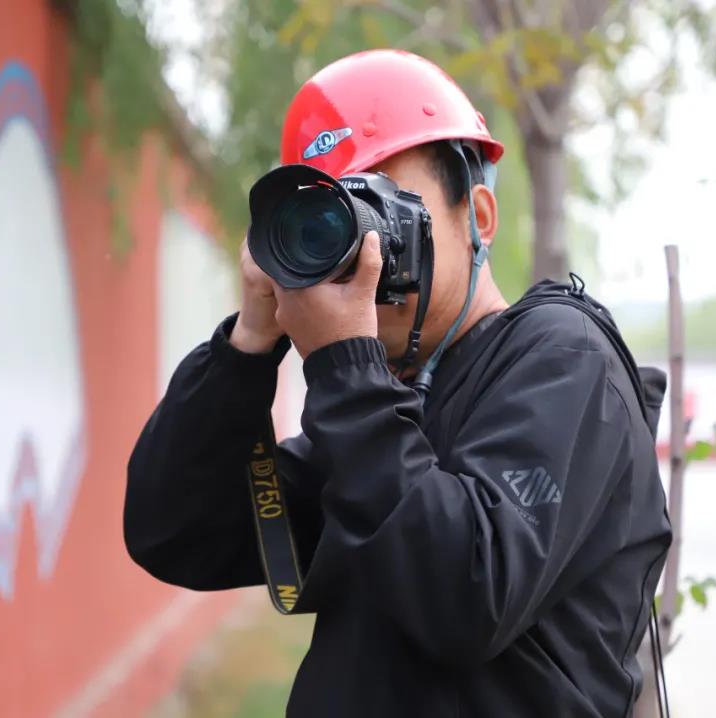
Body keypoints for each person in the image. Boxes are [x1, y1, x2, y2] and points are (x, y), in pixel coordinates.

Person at [125, 49, 671, 717]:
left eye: (388, 208)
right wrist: (247, 346)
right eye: (338, 217)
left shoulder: (563, 358)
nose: (368, 250)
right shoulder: (384, 412)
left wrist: (347, 367)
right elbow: (175, 532)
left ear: (480, 217)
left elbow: (466, 598)